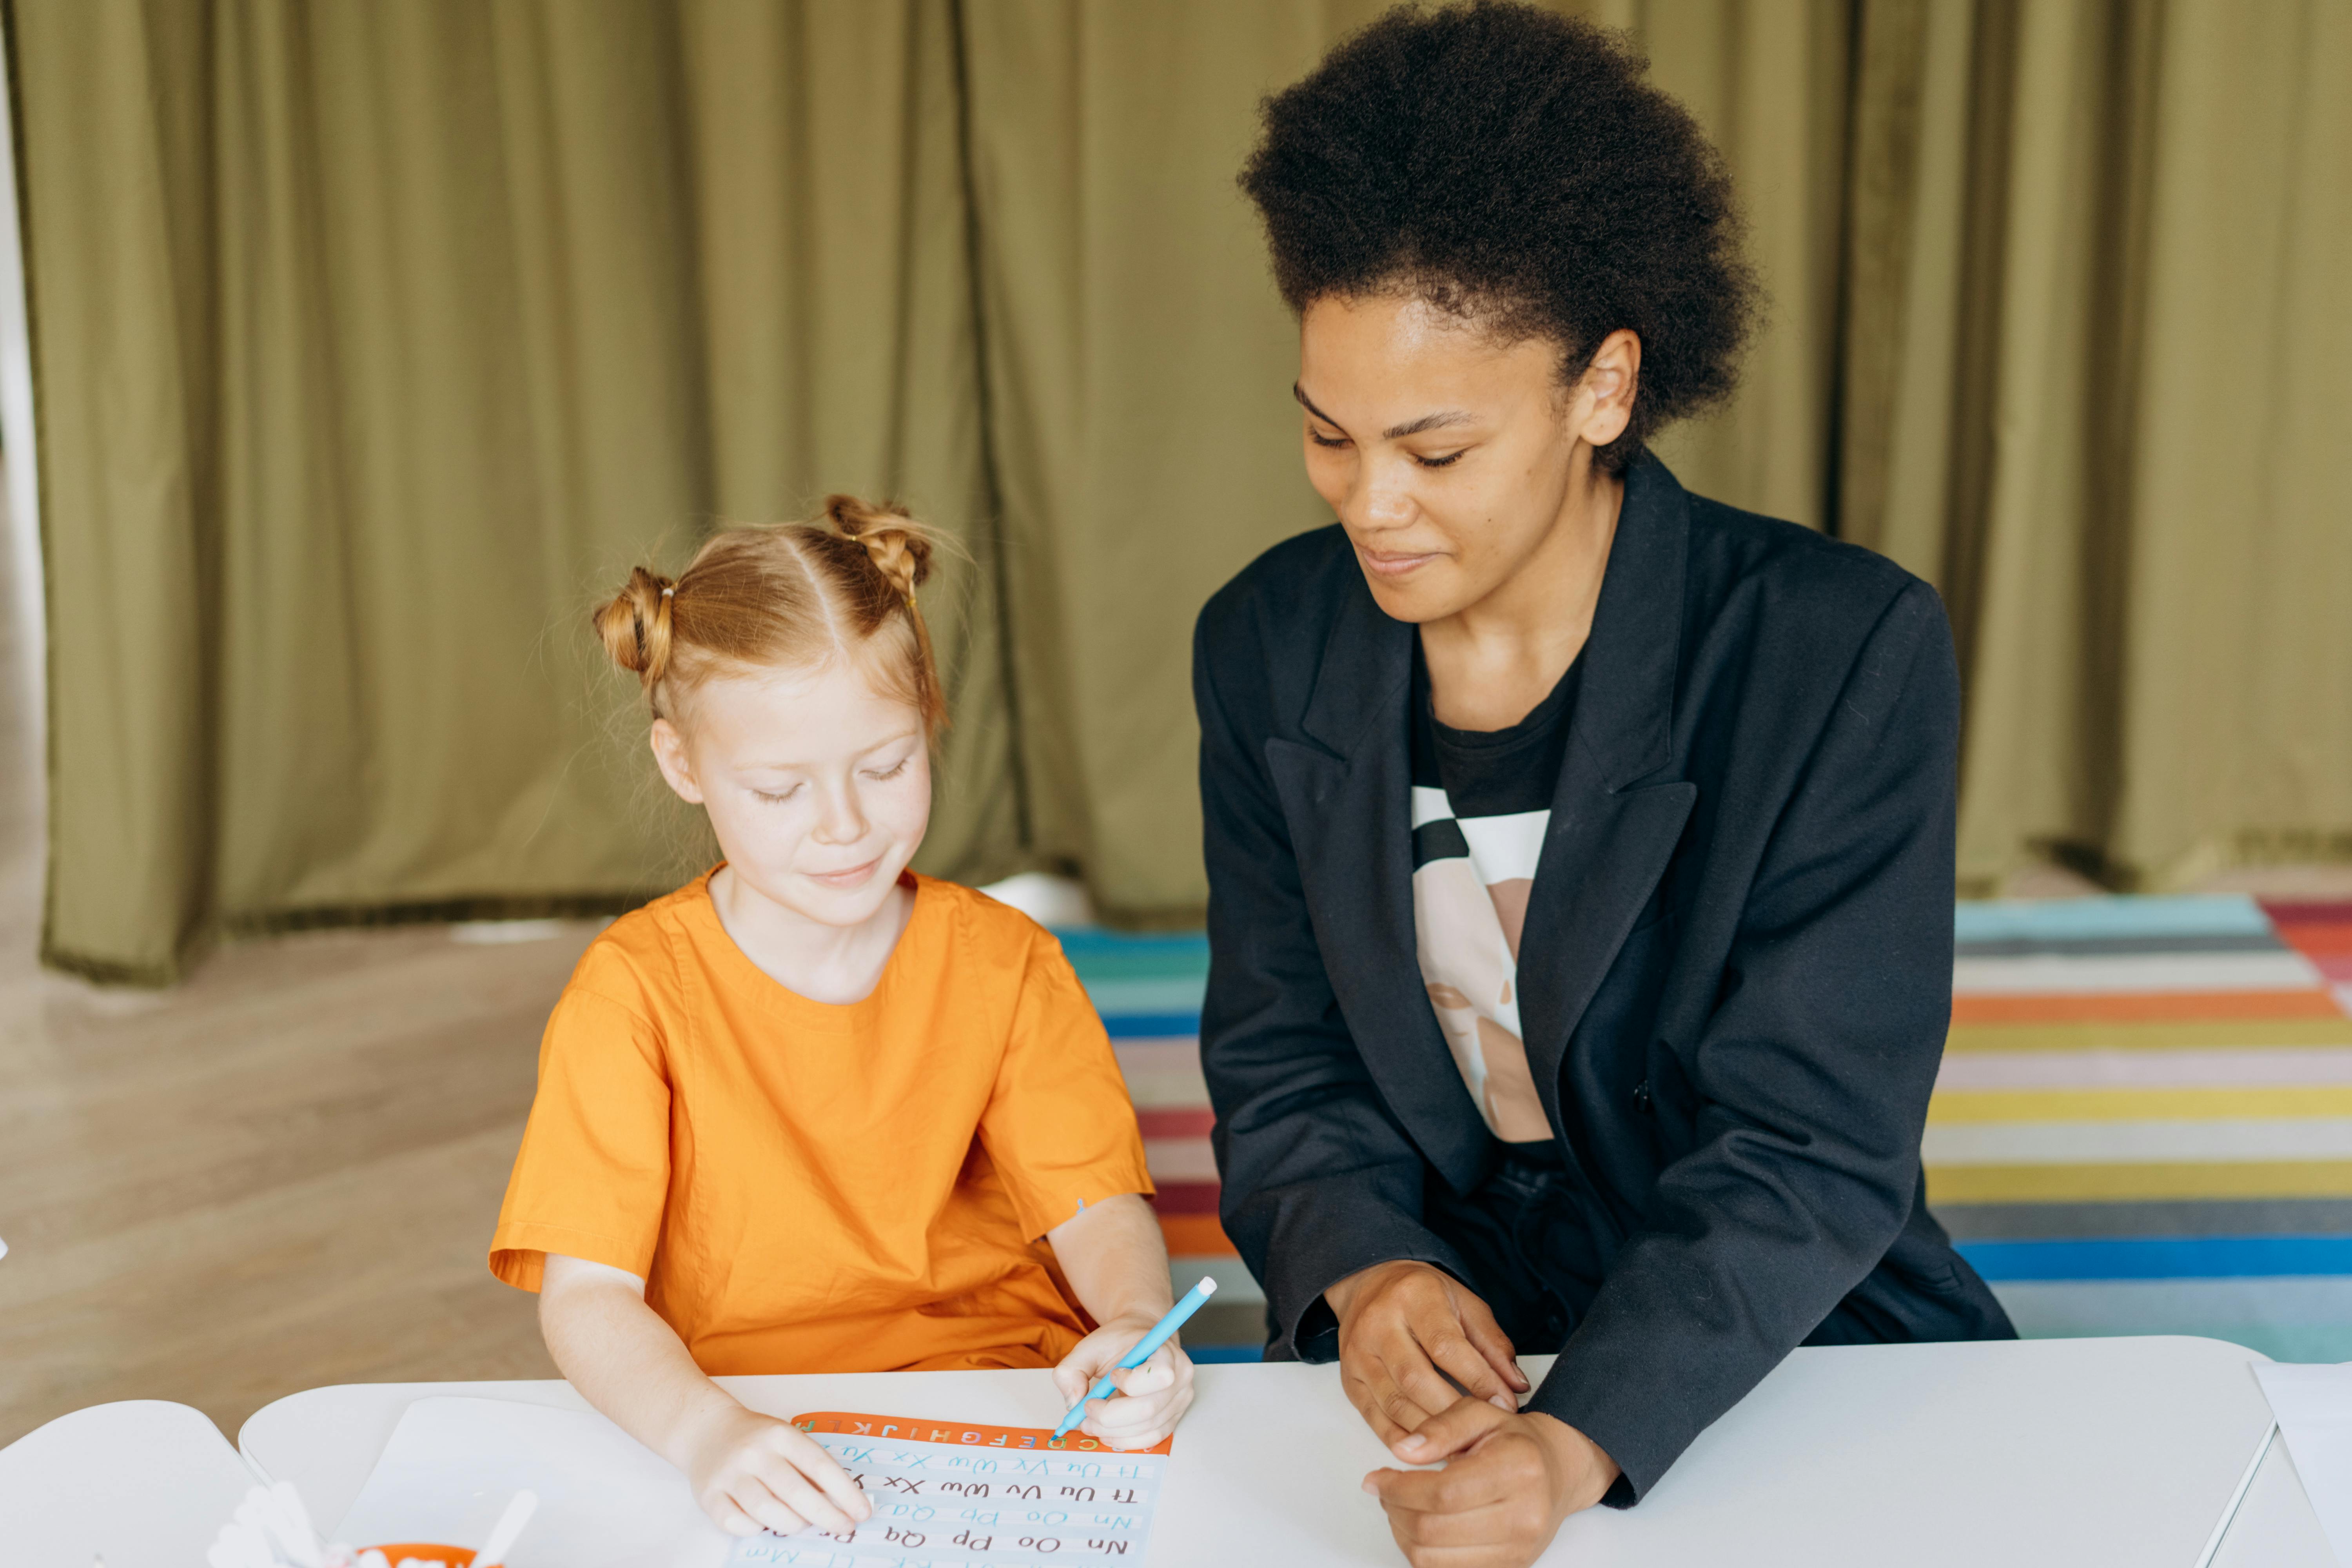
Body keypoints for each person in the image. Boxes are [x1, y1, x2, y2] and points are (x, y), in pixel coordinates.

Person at [1198, 7, 2014, 1566]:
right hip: (1443, 1326)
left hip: (1764, 1323)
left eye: (1436, 451)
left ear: (1603, 388)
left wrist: (1582, 1441)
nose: (1371, 504)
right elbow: (1280, 1049)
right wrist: (1367, 1270)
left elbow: (1813, 1141)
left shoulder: (1837, 650)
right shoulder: (1265, 645)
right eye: (1327, 435)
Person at [488, 497, 1192, 1539]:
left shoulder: (1008, 960)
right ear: (683, 765)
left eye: (886, 766)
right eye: (781, 790)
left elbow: (1094, 1207)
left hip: (1005, 1390)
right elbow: (589, 1297)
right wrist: (705, 1433)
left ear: (929, 719)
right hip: (739, 1414)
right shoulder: (630, 992)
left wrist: (1135, 1321)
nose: (847, 827)